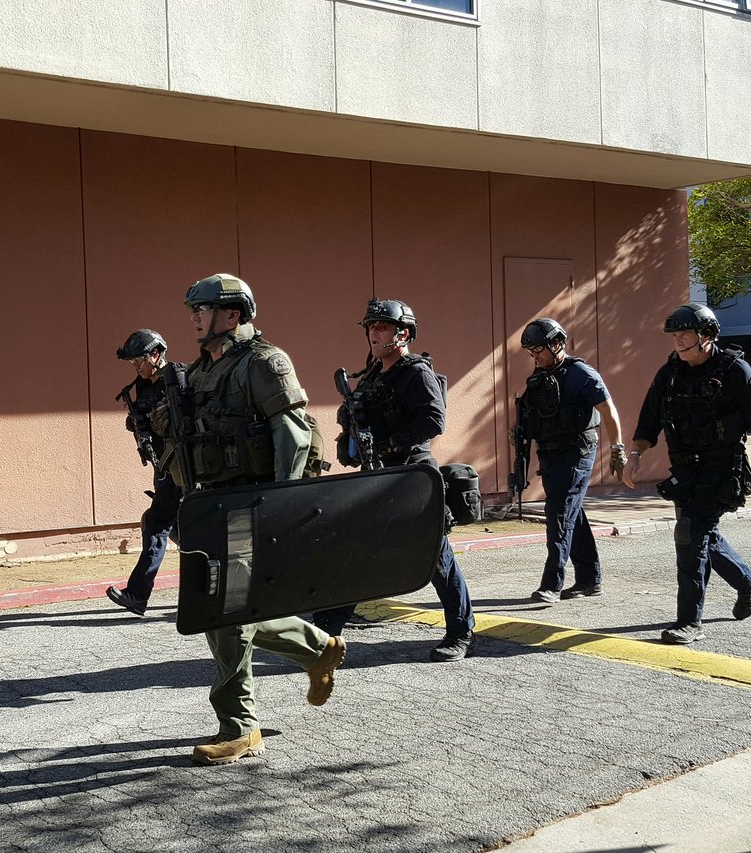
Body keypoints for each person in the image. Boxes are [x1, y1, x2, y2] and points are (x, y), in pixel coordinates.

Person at [156, 273, 346, 766]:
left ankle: (240, 726)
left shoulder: (263, 362)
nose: (194, 317)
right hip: (211, 508)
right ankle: (316, 648)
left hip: (250, 507)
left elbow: (295, 433)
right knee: (225, 612)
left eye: (203, 309)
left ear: (233, 314)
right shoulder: (199, 371)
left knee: (225, 615)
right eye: (193, 310)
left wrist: (279, 506)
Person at [318, 298, 477, 662]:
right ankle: (328, 631)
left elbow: (433, 421)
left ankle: (462, 631)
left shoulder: (416, 372)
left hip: (412, 474)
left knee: (436, 556)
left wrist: (389, 442)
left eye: (382, 327)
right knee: (356, 548)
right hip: (378, 474)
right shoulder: (373, 375)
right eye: (371, 327)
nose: (374, 333)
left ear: (402, 333)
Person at [622, 304, 751, 645]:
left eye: (684, 335)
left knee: (690, 534)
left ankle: (688, 621)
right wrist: (634, 456)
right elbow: (648, 421)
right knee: (702, 535)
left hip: (722, 467)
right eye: (674, 336)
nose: (677, 342)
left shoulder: (734, 370)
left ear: (707, 336)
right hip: (685, 469)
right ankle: (746, 580)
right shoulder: (669, 374)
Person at [518, 318, 627, 604]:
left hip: (576, 453)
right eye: (531, 352)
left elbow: (609, 410)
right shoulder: (539, 376)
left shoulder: (580, 373)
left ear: (556, 344)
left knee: (559, 514)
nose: (535, 357)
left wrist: (617, 449)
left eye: (538, 350)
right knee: (571, 514)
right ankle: (590, 580)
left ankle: (551, 584)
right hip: (551, 454)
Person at [105, 329, 181, 616]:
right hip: (164, 466)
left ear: (156, 354)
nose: (137, 367)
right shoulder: (143, 384)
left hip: (182, 467)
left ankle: (137, 594)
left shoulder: (176, 382)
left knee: (157, 523)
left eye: (140, 361)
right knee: (180, 529)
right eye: (133, 363)